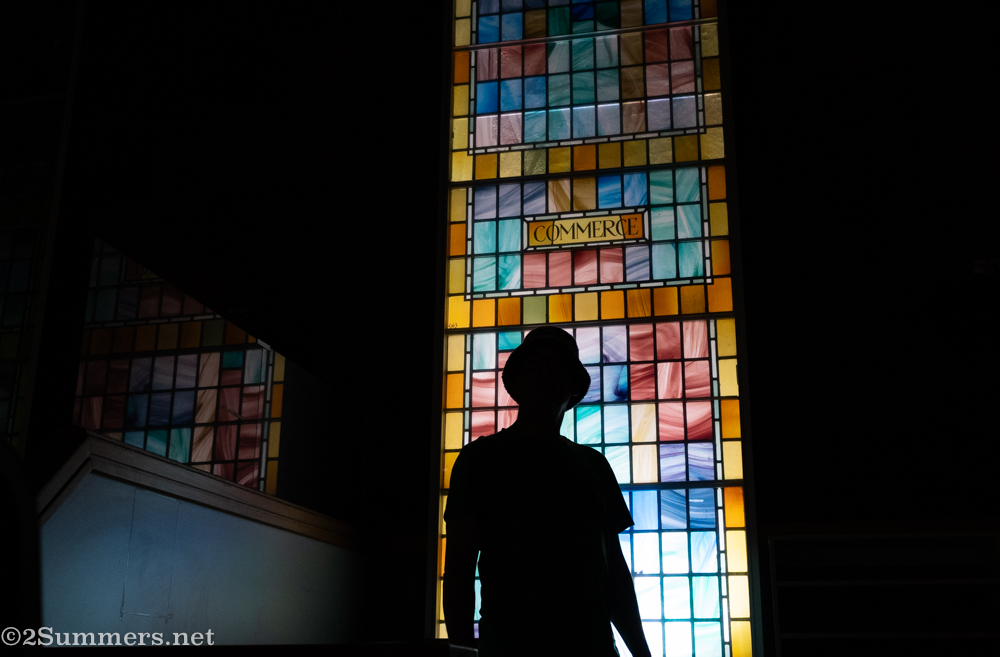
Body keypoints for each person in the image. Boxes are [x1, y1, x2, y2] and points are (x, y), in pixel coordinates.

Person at [443, 326, 651, 657]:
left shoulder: (593, 465)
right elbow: (459, 571)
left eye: (557, 365)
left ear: (572, 386)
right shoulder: (481, 461)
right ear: (518, 382)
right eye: (537, 365)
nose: (546, 373)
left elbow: (614, 572)